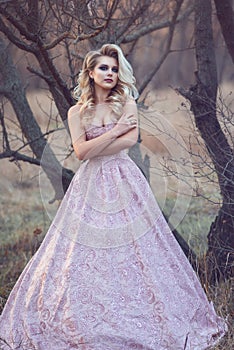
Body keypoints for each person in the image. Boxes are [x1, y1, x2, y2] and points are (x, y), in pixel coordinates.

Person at [0, 44, 227, 350]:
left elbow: (129, 141)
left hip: (124, 180)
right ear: (90, 74)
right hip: (90, 184)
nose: (110, 73)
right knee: (84, 249)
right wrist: (114, 132)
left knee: (137, 247)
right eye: (103, 68)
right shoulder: (77, 111)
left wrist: (108, 137)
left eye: (114, 69)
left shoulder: (126, 104)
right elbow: (81, 152)